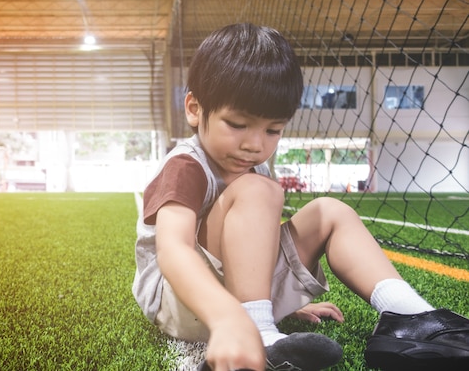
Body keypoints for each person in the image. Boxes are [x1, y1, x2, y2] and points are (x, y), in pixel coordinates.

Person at [132, 23, 469, 371]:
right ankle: (258, 330)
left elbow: (252, 247)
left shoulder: (255, 169)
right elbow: (174, 250)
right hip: (179, 299)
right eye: (237, 124)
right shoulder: (186, 164)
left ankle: (411, 318)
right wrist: (227, 317)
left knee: (330, 212)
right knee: (257, 191)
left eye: (273, 130)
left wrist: (283, 302)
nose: (255, 144)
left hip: (234, 296)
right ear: (194, 109)